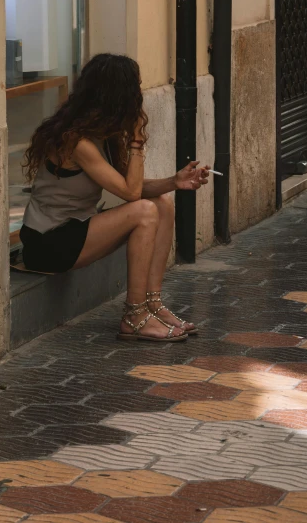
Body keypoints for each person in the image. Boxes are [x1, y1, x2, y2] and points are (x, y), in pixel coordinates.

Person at [20, 53, 210, 342]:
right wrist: (136, 139)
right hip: (48, 241)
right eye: (135, 90)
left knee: (163, 205)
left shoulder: (100, 135)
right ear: (116, 96)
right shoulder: (76, 142)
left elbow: (128, 186)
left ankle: (152, 305)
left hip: (76, 230)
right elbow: (132, 194)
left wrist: (174, 181)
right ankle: (134, 317)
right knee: (145, 211)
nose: (139, 99)